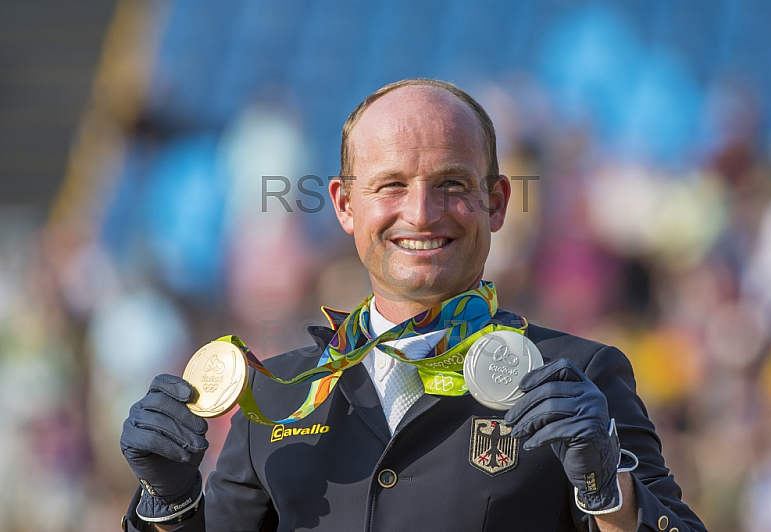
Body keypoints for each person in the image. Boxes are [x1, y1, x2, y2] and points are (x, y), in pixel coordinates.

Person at [120, 79, 707, 531]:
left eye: (452, 183)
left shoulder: (581, 378)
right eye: (391, 185)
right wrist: (167, 506)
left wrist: (611, 493)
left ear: (497, 202)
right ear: (345, 205)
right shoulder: (275, 396)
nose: (422, 213)